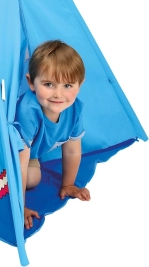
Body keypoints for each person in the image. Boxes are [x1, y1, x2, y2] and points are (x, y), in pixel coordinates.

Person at [14, 40, 91, 230]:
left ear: (80, 85)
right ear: (31, 82)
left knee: (33, 178)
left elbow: (72, 150)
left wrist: (68, 185)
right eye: (49, 84)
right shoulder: (28, 111)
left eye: (67, 85)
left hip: (30, 154)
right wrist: (19, 208)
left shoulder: (75, 108)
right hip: (10, 154)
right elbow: (20, 161)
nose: (58, 94)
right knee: (24, 177)